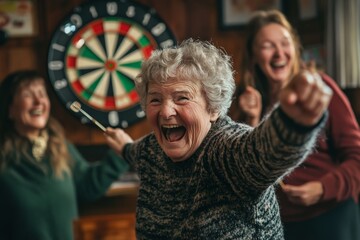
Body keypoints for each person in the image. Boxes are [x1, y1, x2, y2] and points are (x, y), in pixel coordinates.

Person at [103, 38, 332, 239]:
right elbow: (135, 151)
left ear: (213, 108)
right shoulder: (152, 149)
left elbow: (262, 154)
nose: (165, 111)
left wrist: (292, 123)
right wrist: (123, 146)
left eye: (182, 98)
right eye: (155, 100)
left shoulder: (223, 149)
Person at [235, 10, 360, 240]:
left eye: (285, 43)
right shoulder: (246, 105)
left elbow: (357, 158)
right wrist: (250, 120)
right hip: (279, 225)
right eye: (267, 46)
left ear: (294, 47)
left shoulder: (320, 89)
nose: (279, 53)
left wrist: (323, 189)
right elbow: (246, 177)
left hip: (332, 217)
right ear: (253, 55)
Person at [0, 70, 129, 240]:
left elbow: (87, 186)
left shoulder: (61, 147)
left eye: (42, 94)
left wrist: (121, 153)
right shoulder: (3, 158)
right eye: (28, 95)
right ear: (10, 109)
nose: (39, 101)